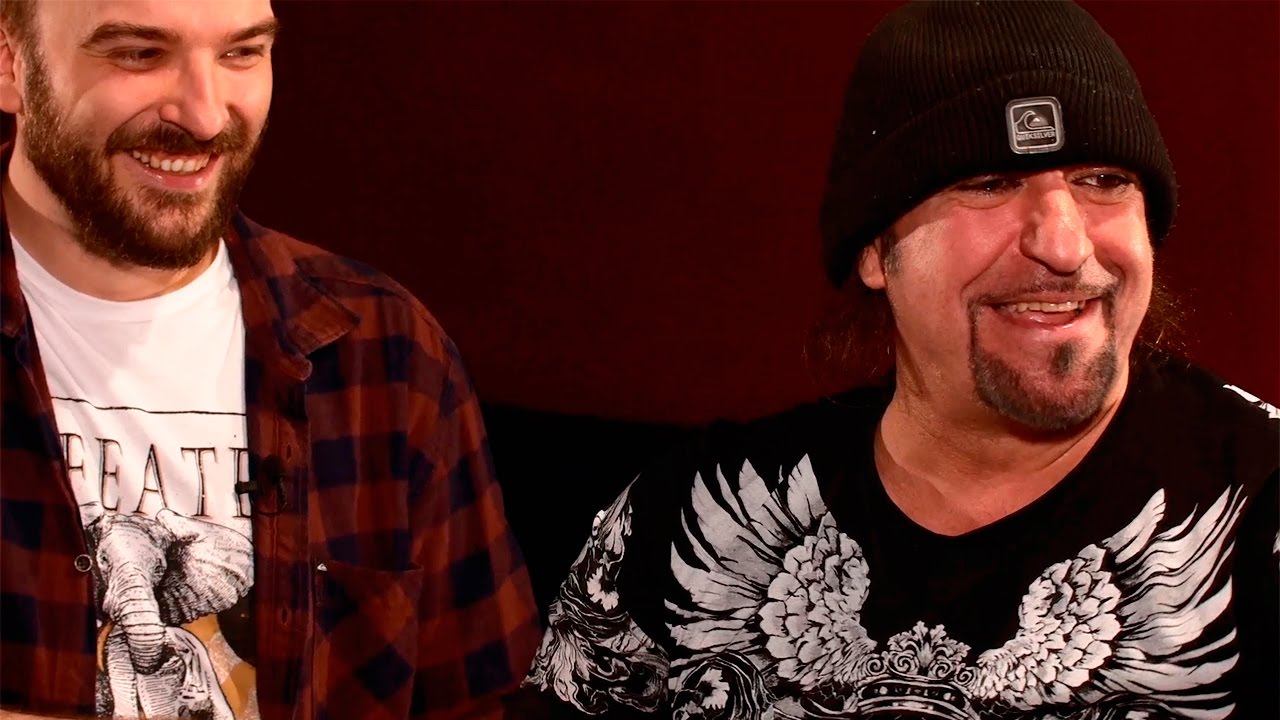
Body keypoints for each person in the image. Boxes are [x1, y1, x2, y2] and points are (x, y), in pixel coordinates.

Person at [514, 1, 1279, 718]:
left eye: (1103, 181)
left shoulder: (1263, 507)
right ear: (877, 250)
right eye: (990, 183)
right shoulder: (688, 519)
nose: (1064, 243)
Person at [0, 1, 541, 718]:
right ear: (10, 63)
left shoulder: (386, 352)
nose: (204, 116)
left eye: (241, 53)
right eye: (138, 54)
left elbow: (485, 699)